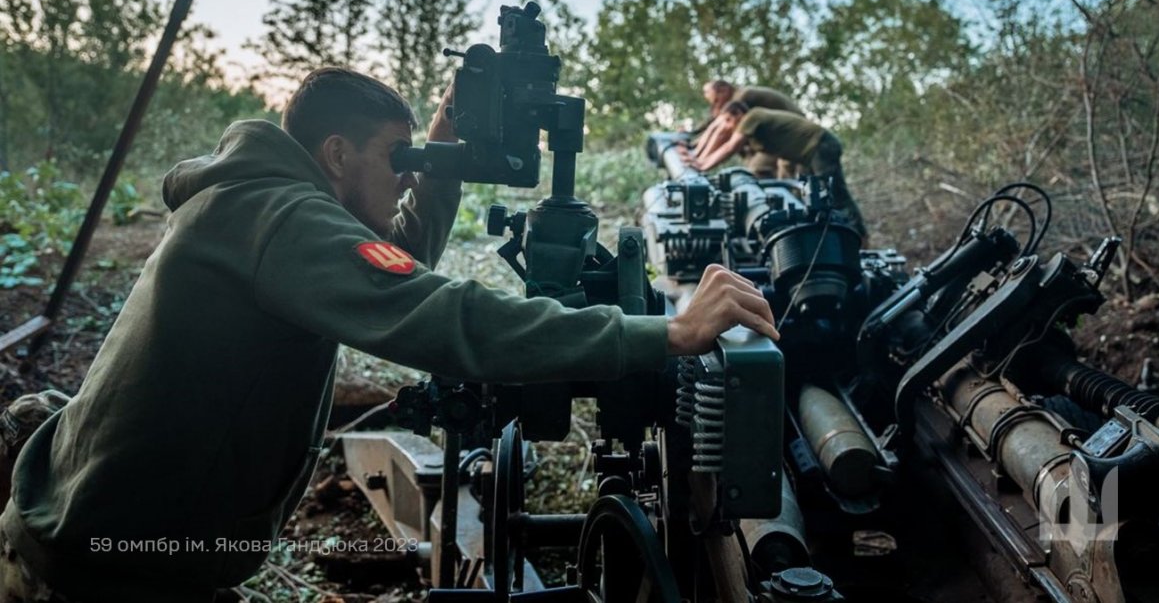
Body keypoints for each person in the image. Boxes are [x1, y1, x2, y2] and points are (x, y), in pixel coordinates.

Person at [0, 68, 778, 602]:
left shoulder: (269, 203)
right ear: (336, 154)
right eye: (393, 156)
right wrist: (665, 333)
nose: (406, 172)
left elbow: (389, 263)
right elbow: (440, 315)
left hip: (120, 544)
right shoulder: (279, 217)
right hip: (107, 570)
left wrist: (437, 160)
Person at [690, 102, 868, 240]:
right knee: (807, 198)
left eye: (728, 120)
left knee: (834, 194)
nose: (728, 127)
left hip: (820, 145)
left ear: (738, 114)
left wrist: (701, 165)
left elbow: (730, 147)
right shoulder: (753, 126)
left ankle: (860, 238)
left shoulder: (752, 116)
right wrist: (698, 156)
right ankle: (817, 237)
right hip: (807, 154)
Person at [686, 82, 802, 179]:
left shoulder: (742, 97)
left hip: (789, 134)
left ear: (724, 90)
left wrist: (698, 158)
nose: (717, 105)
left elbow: (721, 131)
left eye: (716, 100)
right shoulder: (738, 99)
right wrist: (692, 141)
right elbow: (712, 123)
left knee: (757, 169)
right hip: (779, 136)